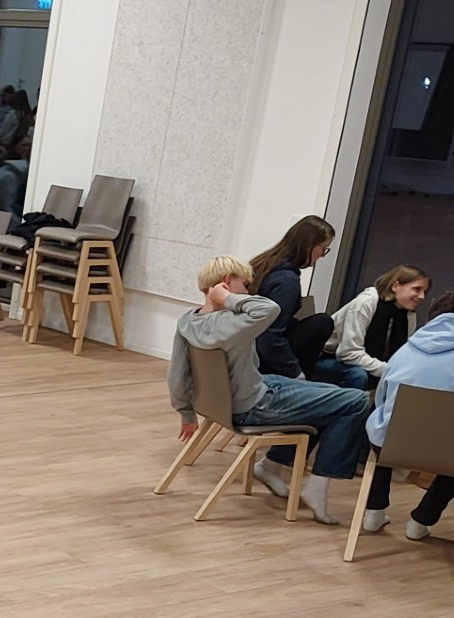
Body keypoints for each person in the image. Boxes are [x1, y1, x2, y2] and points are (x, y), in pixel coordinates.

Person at [167, 255, 370, 525]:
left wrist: (186, 413)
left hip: (251, 392)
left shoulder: (187, 322)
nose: (249, 292)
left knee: (320, 391)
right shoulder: (232, 323)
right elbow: (269, 309)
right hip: (254, 405)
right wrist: (228, 299)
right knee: (356, 400)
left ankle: (273, 464)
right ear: (227, 283)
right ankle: (317, 484)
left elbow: (177, 376)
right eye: (246, 285)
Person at [361, 292, 454, 536]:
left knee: (380, 421)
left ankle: (373, 511)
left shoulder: (405, 350)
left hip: (393, 445)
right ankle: (421, 521)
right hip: (446, 452)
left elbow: (381, 398)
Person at [248, 215, 337, 379]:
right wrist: (295, 373)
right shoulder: (287, 282)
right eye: (323, 248)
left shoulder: (264, 263)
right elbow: (271, 334)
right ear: (309, 246)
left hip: (249, 350)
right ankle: (304, 384)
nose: (323, 255)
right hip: (264, 360)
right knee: (323, 323)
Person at [319, 264, 431, 389]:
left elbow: (401, 355)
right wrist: (389, 370)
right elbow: (348, 353)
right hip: (329, 357)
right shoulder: (366, 302)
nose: (422, 297)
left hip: (369, 361)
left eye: (424, 292)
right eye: (417, 289)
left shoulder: (408, 315)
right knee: (358, 375)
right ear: (396, 286)